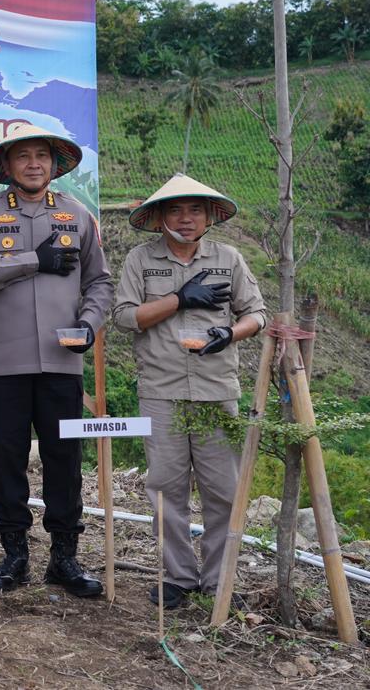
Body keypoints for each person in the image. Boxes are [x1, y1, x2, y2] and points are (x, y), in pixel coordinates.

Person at [0, 123, 114, 598]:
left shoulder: (77, 215)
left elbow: (100, 282)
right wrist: (30, 260)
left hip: (62, 363)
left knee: (65, 459)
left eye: (41, 155)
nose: (33, 164)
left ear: (53, 163)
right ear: (7, 166)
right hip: (3, 364)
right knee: (8, 458)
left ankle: (64, 557)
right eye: (22, 156)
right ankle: (14, 554)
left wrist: (89, 323)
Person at [112, 174, 265, 609]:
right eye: (175, 210)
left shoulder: (229, 259)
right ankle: (178, 576)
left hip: (218, 390)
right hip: (160, 391)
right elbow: (124, 317)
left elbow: (257, 314)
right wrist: (178, 299)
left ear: (208, 216)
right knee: (165, 487)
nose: (185, 218)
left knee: (223, 489)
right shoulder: (142, 260)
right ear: (159, 217)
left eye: (194, 210)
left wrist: (229, 333)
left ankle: (219, 580)